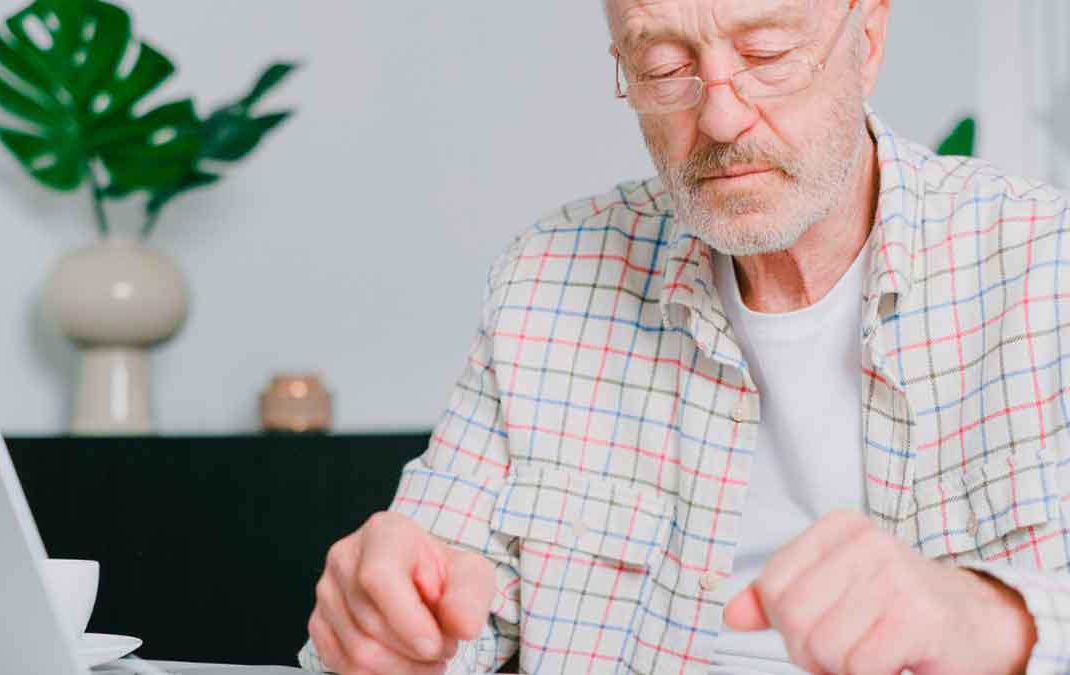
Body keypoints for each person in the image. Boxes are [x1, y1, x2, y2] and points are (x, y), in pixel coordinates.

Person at [300, 0, 1070, 672]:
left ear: (865, 36)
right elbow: (430, 595)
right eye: (664, 65)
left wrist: (996, 623)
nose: (722, 117)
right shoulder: (548, 282)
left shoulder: (1046, 265)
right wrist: (387, 627)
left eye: (767, 55)